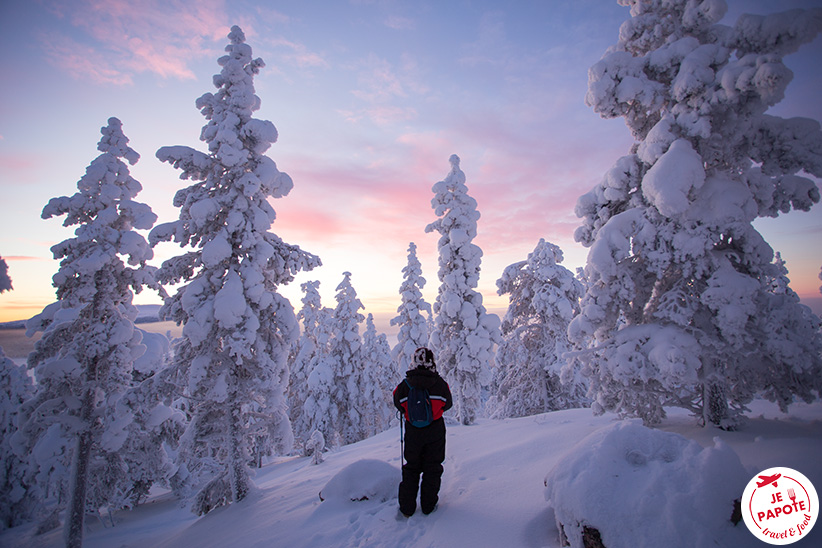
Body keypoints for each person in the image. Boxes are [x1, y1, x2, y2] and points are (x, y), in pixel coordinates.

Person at [393, 347, 453, 517]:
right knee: (432, 467)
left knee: (411, 467)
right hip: (435, 431)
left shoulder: (405, 385)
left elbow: (397, 402)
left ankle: (407, 508)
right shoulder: (440, 384)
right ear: (431, 362)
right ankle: (428, 505)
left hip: (412, 432)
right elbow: (447, 404)